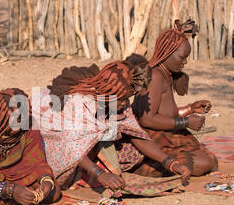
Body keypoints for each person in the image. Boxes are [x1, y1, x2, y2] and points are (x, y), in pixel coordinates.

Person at [31, 58, 192, 197]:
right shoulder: (80, 102)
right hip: (49, 142)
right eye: (121, 99)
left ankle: (94, 168)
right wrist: (99, 174)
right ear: (108, 92)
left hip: (79, 144)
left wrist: (171, 163)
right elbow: (72, 146)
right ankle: (84, 174)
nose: (124, 103)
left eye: (127, 98)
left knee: (129, 148)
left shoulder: (118, 100)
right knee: (56, 178)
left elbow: (136, 134)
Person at [131, 19, 218, 178]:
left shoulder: (165, 75)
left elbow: (165, 112)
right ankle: (153, 165)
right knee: (202, 163)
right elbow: (146, 120)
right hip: (150, 138)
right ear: (167, 53)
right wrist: (185, 122)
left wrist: (191, 108)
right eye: (182, 57)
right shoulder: (155, 76)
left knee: (207, 160)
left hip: (164, 132)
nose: (185, 62)